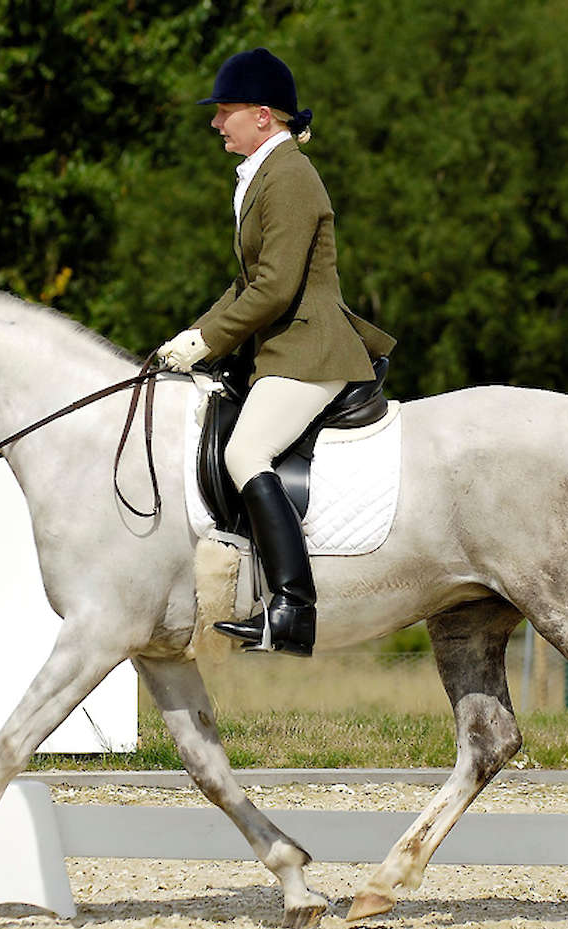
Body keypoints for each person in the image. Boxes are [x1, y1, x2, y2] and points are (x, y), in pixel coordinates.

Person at [157, 48, 396, 657]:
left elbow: (276, 287)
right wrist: (190, 336)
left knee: (245, 451)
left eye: (226, 111)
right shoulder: (261, 175)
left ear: (263, 115)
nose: (216, 122)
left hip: (311, 350)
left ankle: (292, 606)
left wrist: (209, 341)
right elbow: (245, 285)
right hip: (281, 348)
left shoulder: (289, 176)